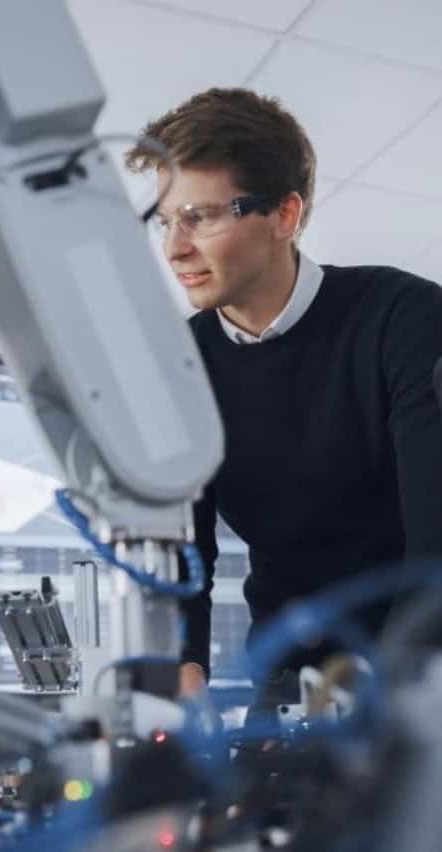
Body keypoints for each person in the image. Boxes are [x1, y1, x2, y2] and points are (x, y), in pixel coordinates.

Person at [125, 87, 442, 698]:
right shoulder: (178, 363)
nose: (174, 248)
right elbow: (185, 551)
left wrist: (386, 697)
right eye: (166, 222)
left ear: (285, 215)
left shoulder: (405, 320)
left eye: (201, 216)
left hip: (415, 677)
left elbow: (436, 554)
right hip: (286, 676)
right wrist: (185, 667)